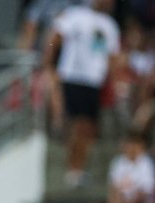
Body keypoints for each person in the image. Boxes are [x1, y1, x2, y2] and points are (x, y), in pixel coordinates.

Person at [43, 0, 121, 188]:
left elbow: (112, 56)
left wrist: (112, 81)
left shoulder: (109, 25)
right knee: (77, 124)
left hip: (94, 81)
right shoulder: (75, 15)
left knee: (88, 127)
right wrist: (49, 63)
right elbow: (55, 37)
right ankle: (73, 169)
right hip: (73, 76)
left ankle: (75, 169)